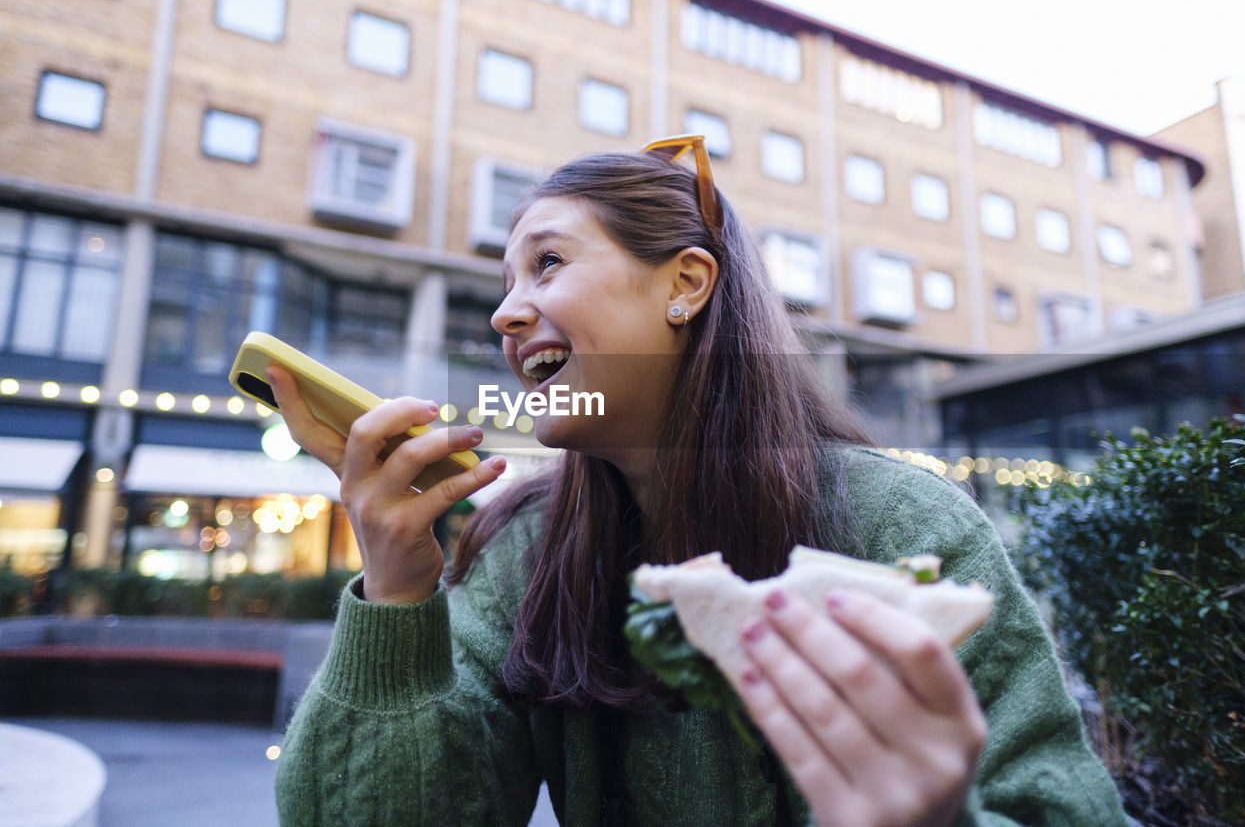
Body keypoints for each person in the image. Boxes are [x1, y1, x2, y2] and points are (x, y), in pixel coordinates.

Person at [270, 135, 1128, 826]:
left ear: (685, 284)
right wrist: (394, 589)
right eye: (504, 284)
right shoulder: (524, 550)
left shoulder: (901, 524)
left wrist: (944, 817)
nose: (504, 313)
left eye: (548, 264)